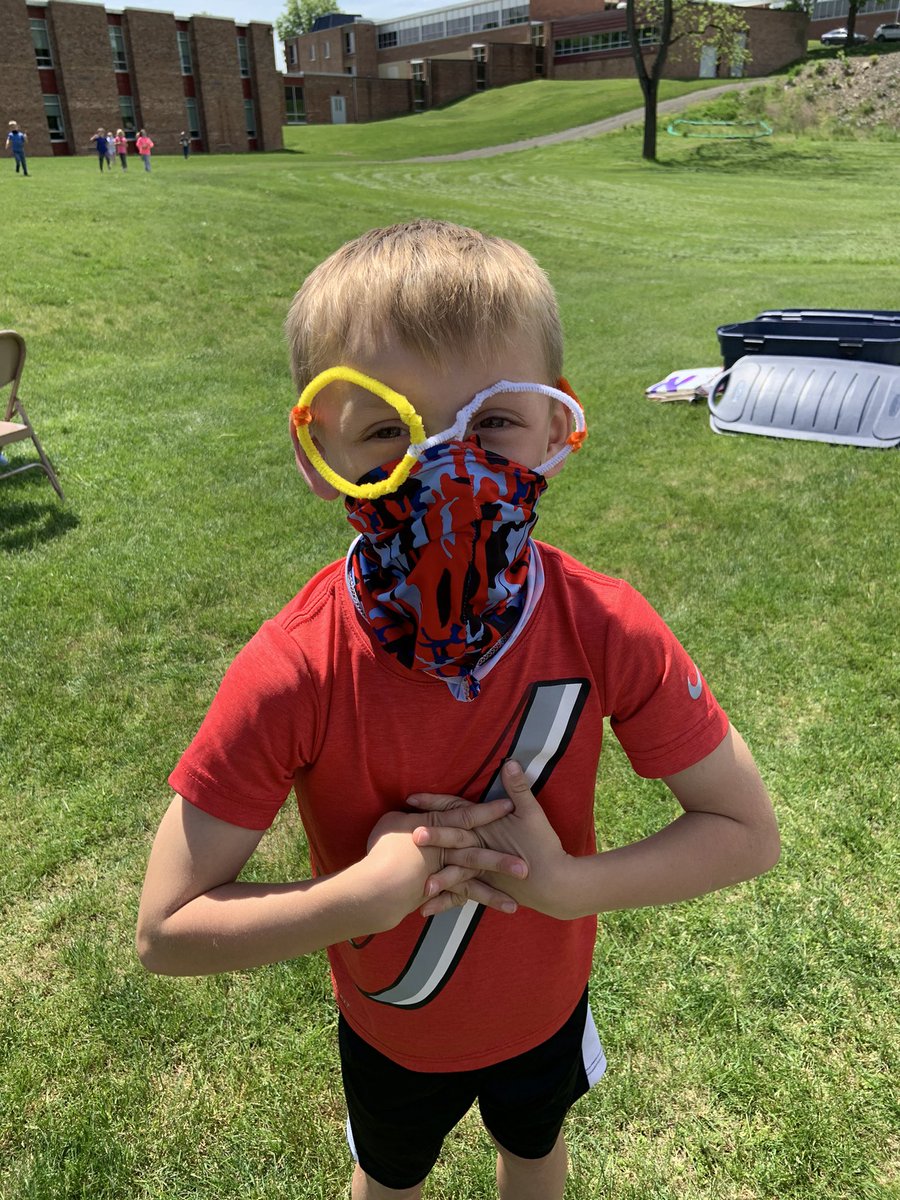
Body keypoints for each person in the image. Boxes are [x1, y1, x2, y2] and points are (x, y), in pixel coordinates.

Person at [137, 220, 780, 1200]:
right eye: (389, 429)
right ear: (319, 454)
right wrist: (360, 899)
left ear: (559, 429)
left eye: (490, 426)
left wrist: (569, 887)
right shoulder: (294, 670)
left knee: (535, 1152)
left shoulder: (608, 629)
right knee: (386, 1176)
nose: (449, 470)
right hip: (392, 1026)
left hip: (546, 1010)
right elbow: (166, 927)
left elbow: (746, 830)